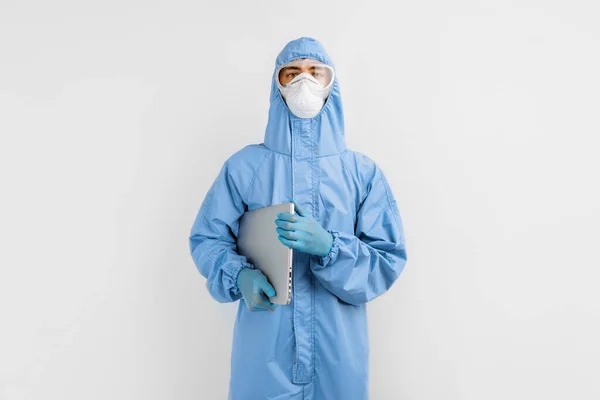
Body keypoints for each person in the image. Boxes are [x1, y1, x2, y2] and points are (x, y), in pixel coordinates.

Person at [189, 37, 407, 400]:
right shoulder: (245, 167)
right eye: (292, 73)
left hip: (337, 350)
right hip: (264, 348)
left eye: (315, 73)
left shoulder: (361, 173)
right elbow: (207, 239)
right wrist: (238, 274)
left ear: (331, 84)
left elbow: (387, 259)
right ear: (277, 84)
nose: (303, 82)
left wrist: (331, 248)